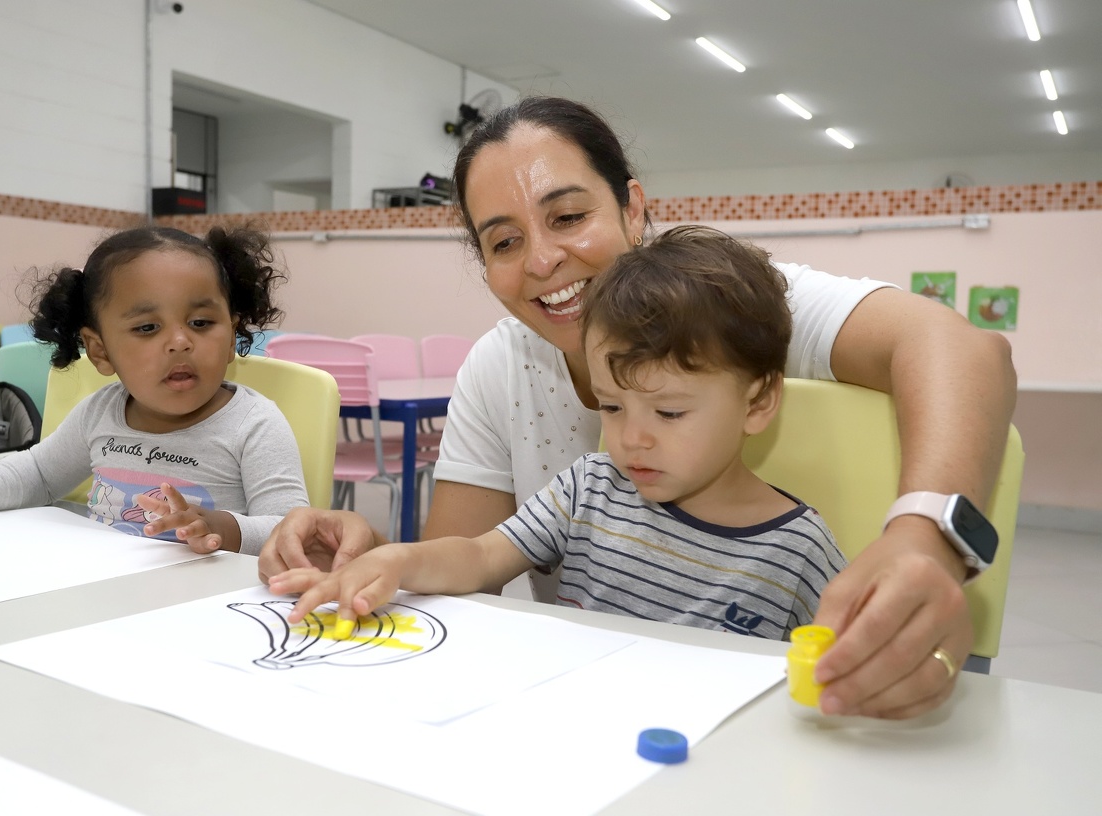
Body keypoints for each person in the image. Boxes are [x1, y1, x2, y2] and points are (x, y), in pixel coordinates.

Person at [259, 96, 1017, 719]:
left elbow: (967, 351)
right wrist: (374, 557)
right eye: (503, 241)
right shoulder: (503, 364)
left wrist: (925, 542)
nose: (544, 261)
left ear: (632, 209)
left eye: (567, 216)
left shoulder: (733, 308)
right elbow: (470, 564)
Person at [271, 225, 847, 640]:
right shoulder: (590, 489)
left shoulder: (800, 551)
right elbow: (477, 556)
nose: (632, 440)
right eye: (613, 407)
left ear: (759, 401)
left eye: (669, 413)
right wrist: (399, 561)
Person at [0, 225, 309, 556]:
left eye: (200, 322)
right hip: (100, 590)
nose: (180, 341)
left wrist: (223, 527)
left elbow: (294, 530)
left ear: (232, 331)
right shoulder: (100, 412)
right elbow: (38, 473)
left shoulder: (253, 423)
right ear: (100, 350)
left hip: (203, 605)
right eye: (147, 328)